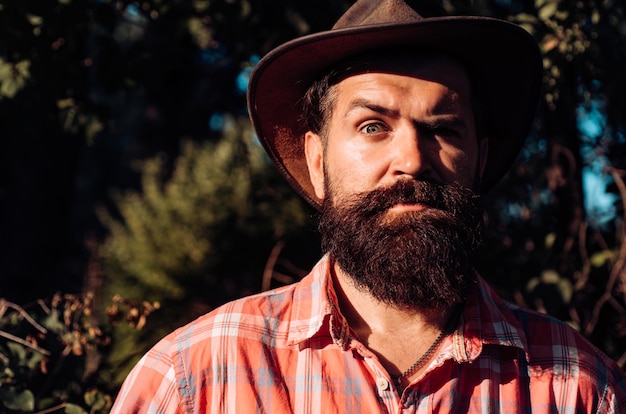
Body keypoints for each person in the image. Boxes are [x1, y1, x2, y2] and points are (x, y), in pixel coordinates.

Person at [111, 0, 626, 412]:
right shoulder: (195, 380)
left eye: (444, 129)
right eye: (373, 126)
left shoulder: (578, 388)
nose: (412, 161)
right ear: (317, 162)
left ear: (480, 159)